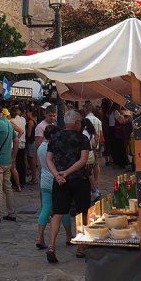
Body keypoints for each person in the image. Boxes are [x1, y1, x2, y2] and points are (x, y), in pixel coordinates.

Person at [45, 110, 92, 262]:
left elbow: (49, 159)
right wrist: (67, 172)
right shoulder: (82, 138)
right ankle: (80, 246)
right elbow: (83, 160)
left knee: (57, 213)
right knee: (81, 213)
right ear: (77, 123)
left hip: (60, 181)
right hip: (79, 179)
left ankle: (51, 246)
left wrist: (57, 174)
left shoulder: (55, 137)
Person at [36, 124, 73, 252]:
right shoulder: (54, 148)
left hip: (44, 181)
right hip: (56, 181)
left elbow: (39, 165)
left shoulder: (40, 147)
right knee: (63, 210)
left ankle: (39, 238)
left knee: (46, 209)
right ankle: (69, 236)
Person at [82, 102, 104, 199]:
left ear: (86, 110)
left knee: (87, 171)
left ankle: (93, 189)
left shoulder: (85, 120)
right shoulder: (98, 120)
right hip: (96, 147)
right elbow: (99, 134)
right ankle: (96, 184)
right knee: (96, 165)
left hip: (88, 149)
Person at [31, 104, 57, 184]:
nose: (52, 118)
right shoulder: (40, 126)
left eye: (54, 116)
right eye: (50, 116)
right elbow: (38, 144)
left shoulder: (54, 125)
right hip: (44, 156)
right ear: (45, 114)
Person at [9, 106, 27, 191]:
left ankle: (15, 183)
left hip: (14, 144)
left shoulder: (11, 121)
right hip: (22, 144)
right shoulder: (23, 120)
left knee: (14, 164)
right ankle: (22, 182)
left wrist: (16, 139)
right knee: (21, 163)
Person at [24, 108, 38, 184]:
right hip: (33, 142)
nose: (26, 114)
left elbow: (28, 134)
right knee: (32, 160)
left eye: (27, 112)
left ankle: (34, 178)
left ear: (31, 112)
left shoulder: (30, 122)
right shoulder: (34, 121)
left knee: (31, 160)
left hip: (30, 143)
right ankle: (34, 177)